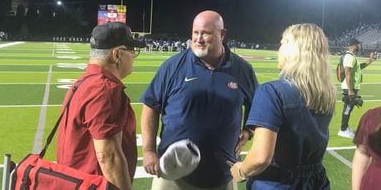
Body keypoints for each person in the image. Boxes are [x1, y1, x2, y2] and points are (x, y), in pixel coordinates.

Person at [140, 10, 259, 189]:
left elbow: (258, 107)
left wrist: (248, 131)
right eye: (195, 32)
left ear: (222, 34)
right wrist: (149, 151)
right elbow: (151, 105)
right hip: (173, 174)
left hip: (222, 174)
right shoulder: (173, 66)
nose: (198, 38)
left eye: (206, 33)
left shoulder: (242, 69)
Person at [229, 23, 336, 189]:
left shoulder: (271, 92)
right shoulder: (326, 93)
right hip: (316, 181)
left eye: (282, 43)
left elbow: (261, 157)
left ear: (292, 50)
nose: (279, 49)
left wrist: (240, 171)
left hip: (278, 182)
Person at [56, 22, 145, 190]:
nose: (133, 57)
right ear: (117, 54)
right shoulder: (105, 89)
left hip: (75, 181)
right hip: (94, 184)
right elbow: (108, 156)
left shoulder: (85, 81)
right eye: (131, 51)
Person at [338, 38, 376, 138]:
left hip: (351, 86)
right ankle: (343, 129)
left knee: (349, 108)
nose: (359, 46)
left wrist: (370, 61)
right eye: (357, 44)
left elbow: (358, 68)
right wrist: (350, 90)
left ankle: (345, 127)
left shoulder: (351, 57)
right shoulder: (349, 57)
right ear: (352, 45)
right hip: (350, 87)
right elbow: (348, 73)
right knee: (348, 108)